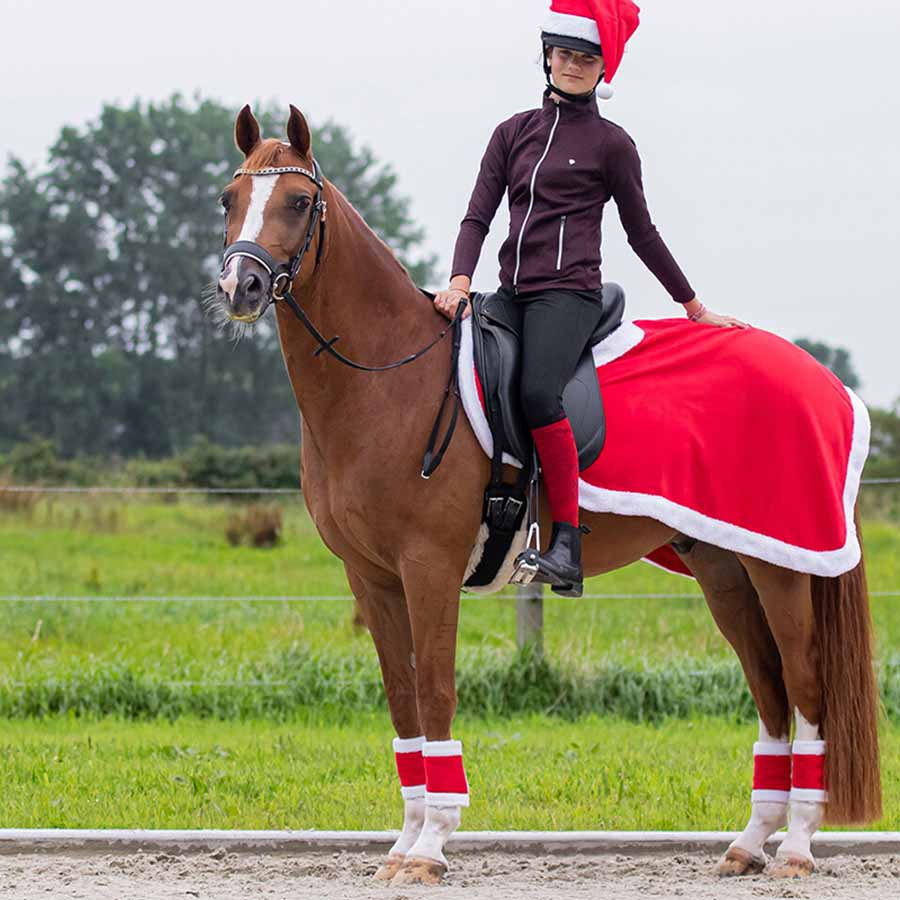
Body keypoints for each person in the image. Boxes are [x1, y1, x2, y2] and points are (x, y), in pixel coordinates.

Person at [434, 0, 747, 597]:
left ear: (603, 68)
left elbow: (642, 232)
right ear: (547, 57)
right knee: (460, 370)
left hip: (570, 296)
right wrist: (458, 280)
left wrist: (694, 306)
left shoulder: (613, 145)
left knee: (535, 392)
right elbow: (478, 214)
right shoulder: (511, 133)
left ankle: (568, 544)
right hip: (508, 293)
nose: (573, 66)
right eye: (565, 54)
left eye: (586, 57)